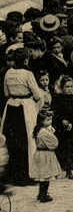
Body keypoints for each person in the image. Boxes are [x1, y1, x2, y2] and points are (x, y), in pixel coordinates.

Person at [1, 48, 44, 185]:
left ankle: (12, 173)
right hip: (25, 107)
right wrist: (37, 106)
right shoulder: (27, 74)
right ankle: (27, 174)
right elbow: (37, 94)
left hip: (11, 108)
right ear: (26, 59)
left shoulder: (8, 73)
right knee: (27, 140)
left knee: (12, 141)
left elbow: (6, 92)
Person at [30, 106, 61, 202]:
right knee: (45, 177)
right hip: (45, 155)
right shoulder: (43, 132)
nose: (50, 122)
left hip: (41, 154)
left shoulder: (41, 130)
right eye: (47, 120)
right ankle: (43, 195)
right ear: (41, 121)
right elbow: (54, 143)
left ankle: (41, 193)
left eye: (50, 119)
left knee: (43, 177)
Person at [52, 75, 73, 179]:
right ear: (62, 88)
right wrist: (62, 120)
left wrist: (71, 122)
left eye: (71, 87)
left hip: (71, 127)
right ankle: (59, 168)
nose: (69, 89)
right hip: (60, 127)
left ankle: (69, 169)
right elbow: (55, 112)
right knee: (61, 147)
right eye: (67, 87)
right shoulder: (58, 98)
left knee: (70, 147)